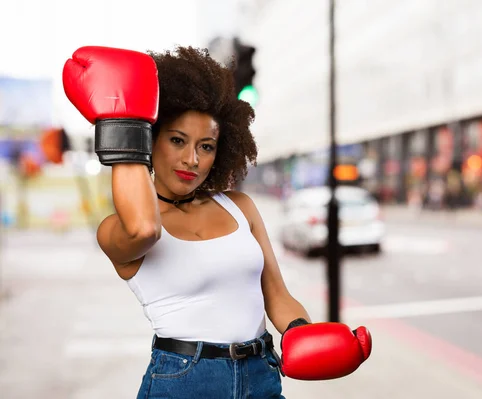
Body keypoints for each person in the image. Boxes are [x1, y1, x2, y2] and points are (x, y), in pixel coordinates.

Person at [62, 46, 371, 398]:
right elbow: (144, 228)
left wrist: (301, 333)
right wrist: (124, 125)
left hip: (260, 374)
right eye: (177, 140)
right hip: (185, 380)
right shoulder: (115, 231)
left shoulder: (240, 207)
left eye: (206, 146)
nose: (191, 159)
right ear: (150, 141)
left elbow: (277, 295)